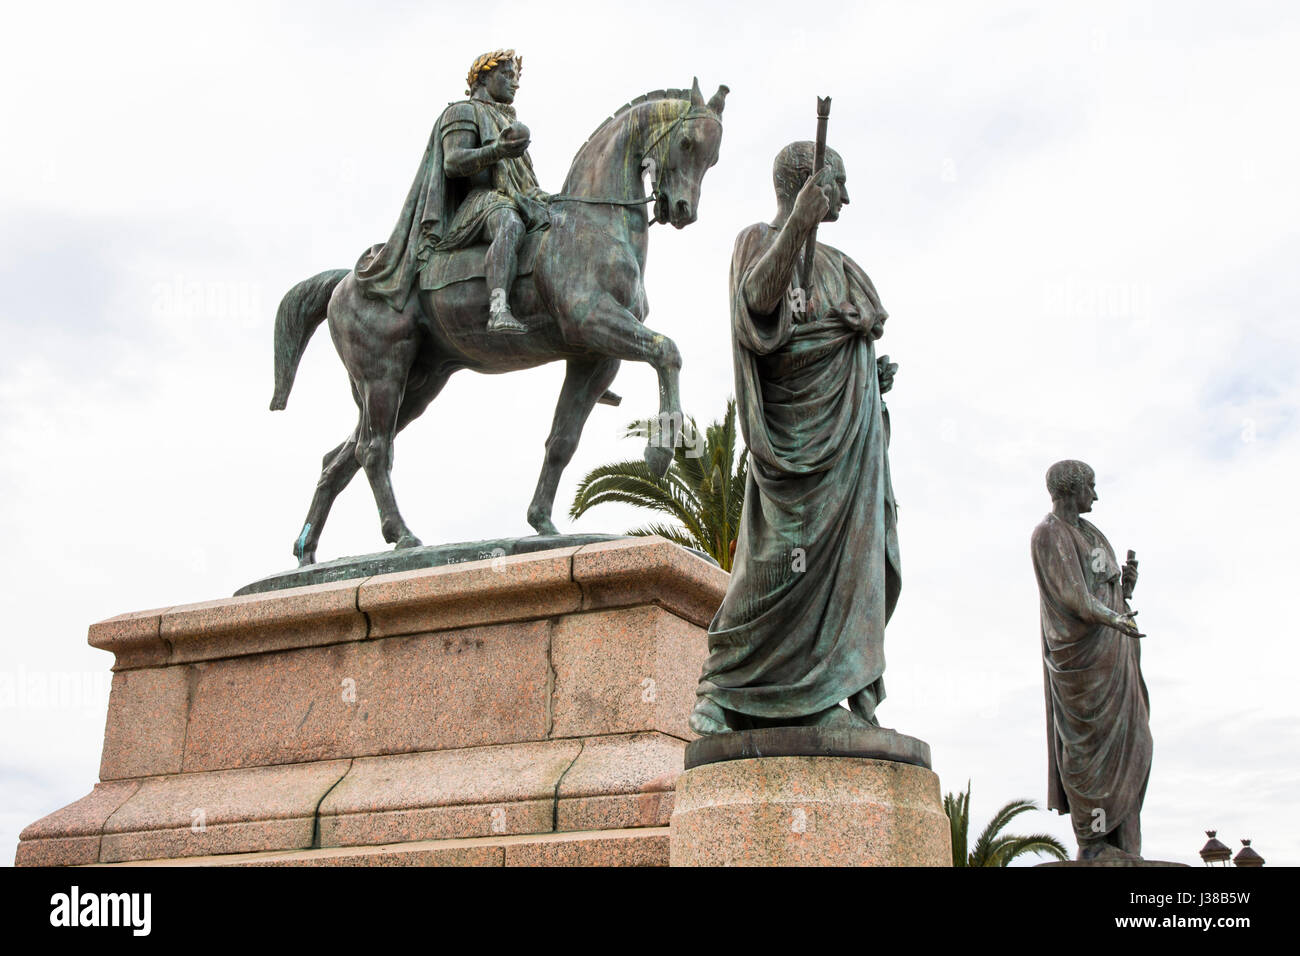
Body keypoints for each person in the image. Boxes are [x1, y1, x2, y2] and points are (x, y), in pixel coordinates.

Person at [689, 141, 901, 735]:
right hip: (792, 441)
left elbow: (847, 336)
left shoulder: (843, 265)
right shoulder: (756, 240)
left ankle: (827, 693)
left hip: (849, 440)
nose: (847, 198)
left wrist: (868, 374)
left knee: (849, 563)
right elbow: (756, 306)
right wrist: (798, 227)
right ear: (806, 185)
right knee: (777, 561)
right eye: (838, 183)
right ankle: (723, 689)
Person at [354, 49, 549, 333]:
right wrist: (497, 150)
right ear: (483, 78)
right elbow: (454, 162)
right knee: (509, 223)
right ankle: (499, 308)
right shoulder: (462, 111)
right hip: (476, 203)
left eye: (516, 77)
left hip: (513, 198)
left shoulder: (504, 121)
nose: (515, 82)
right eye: (506, 74)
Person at [1030, 459, 1152, 861]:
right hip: (1082, 666)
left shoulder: (1091, 533)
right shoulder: (1049, 534)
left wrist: (1123, 591)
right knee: (1091, 754)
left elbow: (1098, 587)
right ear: (1071, 488)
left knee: (1133, 745)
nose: (1096, 495)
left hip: (1115, 658)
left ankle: (1128, 850)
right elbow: (1074, 597)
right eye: (1091, 486)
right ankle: (1096, 843)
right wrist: (1112, 615)